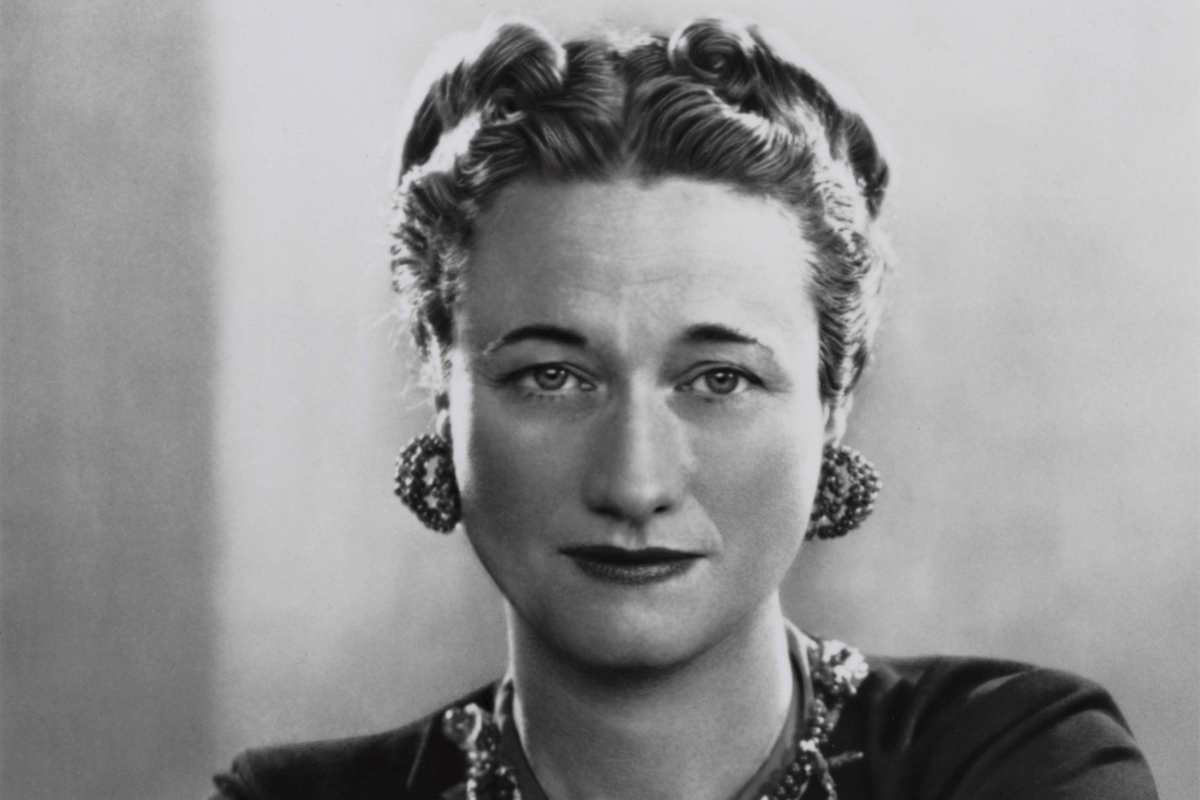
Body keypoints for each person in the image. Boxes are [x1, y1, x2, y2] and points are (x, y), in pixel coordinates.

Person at [210, 17, 1158, 800]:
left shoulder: (1019, 759)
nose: (635, 483)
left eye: (719, 380)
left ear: (835, 394)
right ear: (440, 382)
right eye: (553, 376)